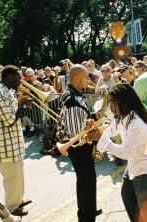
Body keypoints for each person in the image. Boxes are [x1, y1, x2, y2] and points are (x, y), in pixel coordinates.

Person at [85, 84, 147, 222]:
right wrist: (95, 129)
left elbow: (126, 153)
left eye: (112, 102)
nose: (110, 106)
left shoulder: (135, 123)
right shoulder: (125, 115)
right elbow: (111, 130)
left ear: (124, 101)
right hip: (136, 165)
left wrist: (100, 139)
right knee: (127, 196)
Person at [0, 65, 33, 216]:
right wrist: (24, 105)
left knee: (18, 173)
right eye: (19, 78)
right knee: (11, 177)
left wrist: (20, 101)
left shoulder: (6, 90)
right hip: (4, 145)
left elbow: (12, 110)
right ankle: (11, 207)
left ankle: (17, 200)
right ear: (9, 78)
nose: (21, 81)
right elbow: (10, 120)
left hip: (11, 142)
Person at [57, 65, 99, 221]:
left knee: (84, 181)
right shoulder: (73, 100)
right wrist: (94, 131)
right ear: (77, 78)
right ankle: (87, 215)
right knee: (87, 182)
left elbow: (79, 121)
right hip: (80, 149)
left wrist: (93, 117)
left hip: (79, 149)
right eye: (86, 77)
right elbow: (78, 136)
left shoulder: (73, 94)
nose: (88, 80)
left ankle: (88, 209)